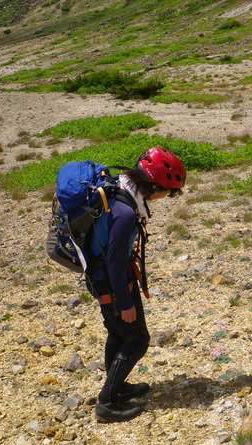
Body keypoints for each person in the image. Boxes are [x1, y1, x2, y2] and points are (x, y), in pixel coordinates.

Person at [86, 147, 185, 422]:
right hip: (112, 283)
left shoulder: (121, 187)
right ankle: (106, 403)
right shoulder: (126, 213)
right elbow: (115, 264)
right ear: (152, 185)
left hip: (105, 279)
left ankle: (117, 387)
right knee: (137, 340)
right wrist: (125, 302)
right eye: (167, 190)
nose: (167, 197)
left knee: (118, 335)